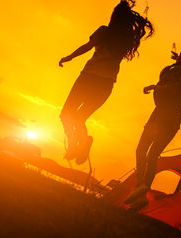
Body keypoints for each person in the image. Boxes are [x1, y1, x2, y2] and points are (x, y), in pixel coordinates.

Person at [59, 0, 154, 164]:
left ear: (114, 16)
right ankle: (82, 143)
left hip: (88, 78)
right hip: (105, 85)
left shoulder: (104, 31)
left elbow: (88, 46)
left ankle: (75, 143)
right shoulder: (127, 39)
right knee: (79, 118)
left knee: (66, 114)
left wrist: (69, 57)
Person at [124, 47, 181, 207]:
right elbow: (176, 81)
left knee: (142, 149)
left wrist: (153, 87)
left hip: (162, 116)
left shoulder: (178, 71)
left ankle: (140, 186)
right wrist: (177, 61)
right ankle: (142, 194)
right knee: (153, 156)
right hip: (173, 119)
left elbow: (173, 88)